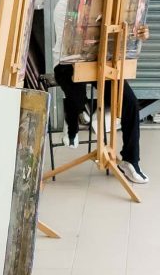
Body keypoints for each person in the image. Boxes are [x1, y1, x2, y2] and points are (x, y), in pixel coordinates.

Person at [53, 58, 149, 186]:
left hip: (104, 63)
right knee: (77, 95)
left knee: (130, 103)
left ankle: (130, 160)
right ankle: (72, 121)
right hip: (69, 63)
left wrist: (138, 37)